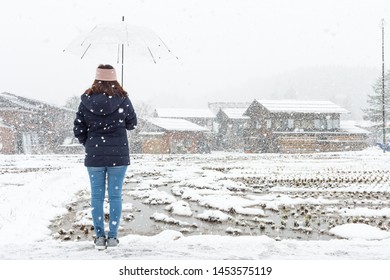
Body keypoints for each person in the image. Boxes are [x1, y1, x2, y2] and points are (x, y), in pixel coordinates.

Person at [73, 64, 137, 249]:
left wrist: (90, 143)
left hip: (94, 156)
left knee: (97, 197)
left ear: (96, 78)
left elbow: (78, 128)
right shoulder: (123, 99)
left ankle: (100, 237)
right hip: (118, 156)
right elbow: (132, 124)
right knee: (115, 197)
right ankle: (113, 237)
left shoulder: (86, 100)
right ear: (114, 78)